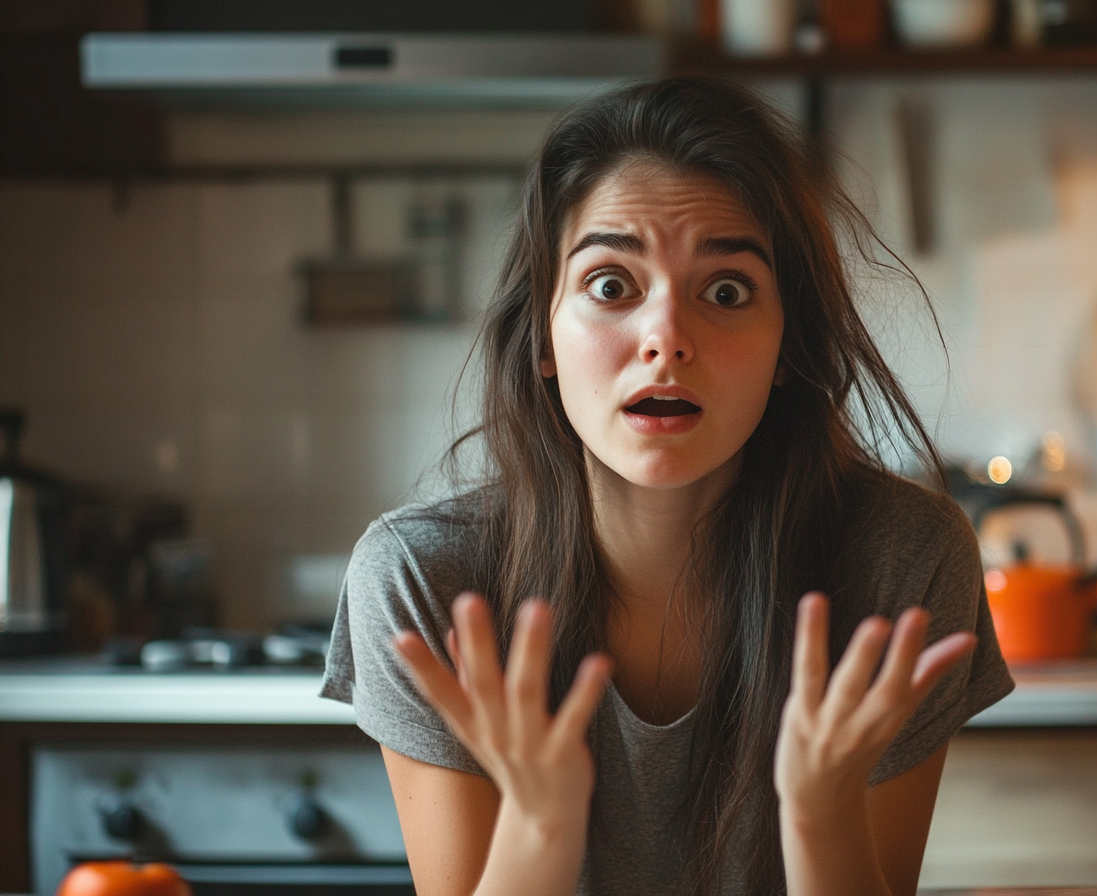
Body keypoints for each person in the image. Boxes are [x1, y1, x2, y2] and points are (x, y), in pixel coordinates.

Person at [319, 76, 1014, 896]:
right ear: (543, 335)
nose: (666, 339)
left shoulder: (905, 558)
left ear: (789, 347)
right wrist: (540, 825)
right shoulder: (420, 580)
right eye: (612, 285)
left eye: (726, 291)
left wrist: (819, 813)